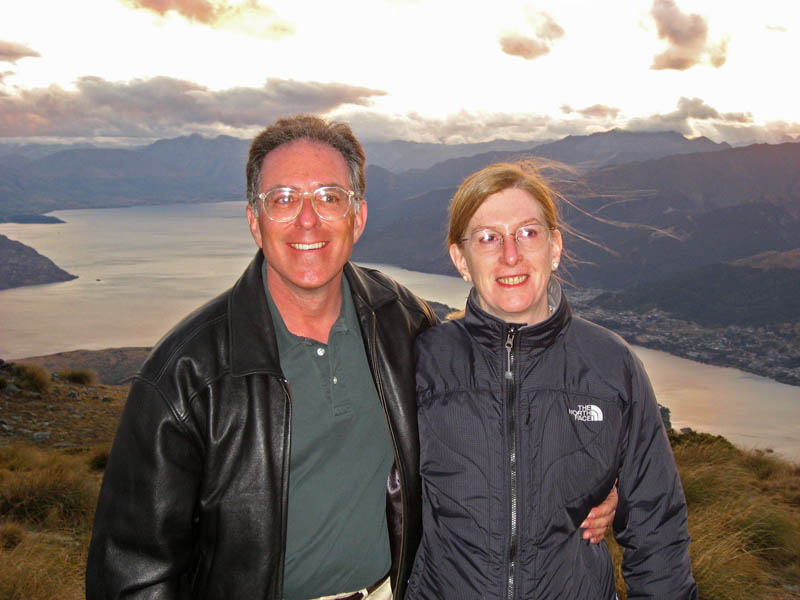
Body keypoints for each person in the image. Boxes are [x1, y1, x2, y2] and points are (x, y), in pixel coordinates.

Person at [86, 116, 616, 600]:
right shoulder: (187, 375)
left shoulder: (400, 321)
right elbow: (133, 573)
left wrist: (582, 483)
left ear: (357, 217)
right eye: (284, 198)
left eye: (330, 197)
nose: (308, 220)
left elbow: (486, 407)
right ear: (254, 220)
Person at [405, 161, 697, 599]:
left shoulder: (610, 365)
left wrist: (608, 487)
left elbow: (657, 528)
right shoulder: (423, 364)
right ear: (460, 260)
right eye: (488, 238)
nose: (510, 255)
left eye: (528, 233)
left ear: (555, 247)